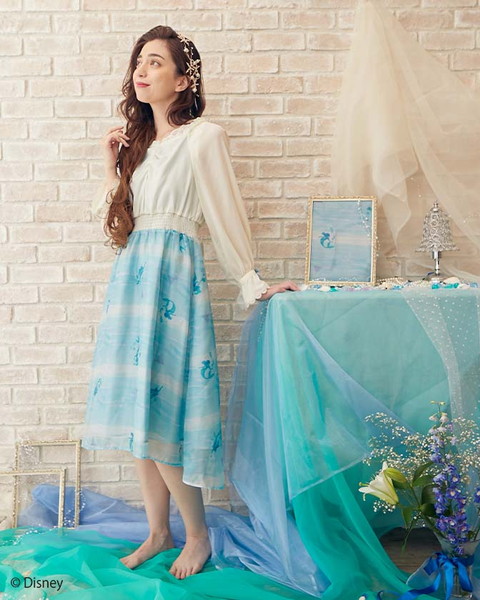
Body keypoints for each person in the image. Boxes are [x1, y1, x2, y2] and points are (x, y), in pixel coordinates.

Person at [81, 25, 299, 581]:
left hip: (172, 280)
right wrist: (111, 166)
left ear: (183, 80)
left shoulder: (203, 137)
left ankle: (196, 535)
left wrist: (251, 280)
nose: (142, 70)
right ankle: (158, 532)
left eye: (156, 62)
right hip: (132, 281)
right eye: (139, 61)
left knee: (161, 418)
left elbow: (225, 211)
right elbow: (117, 227)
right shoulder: (140, 150)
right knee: (138, 416)